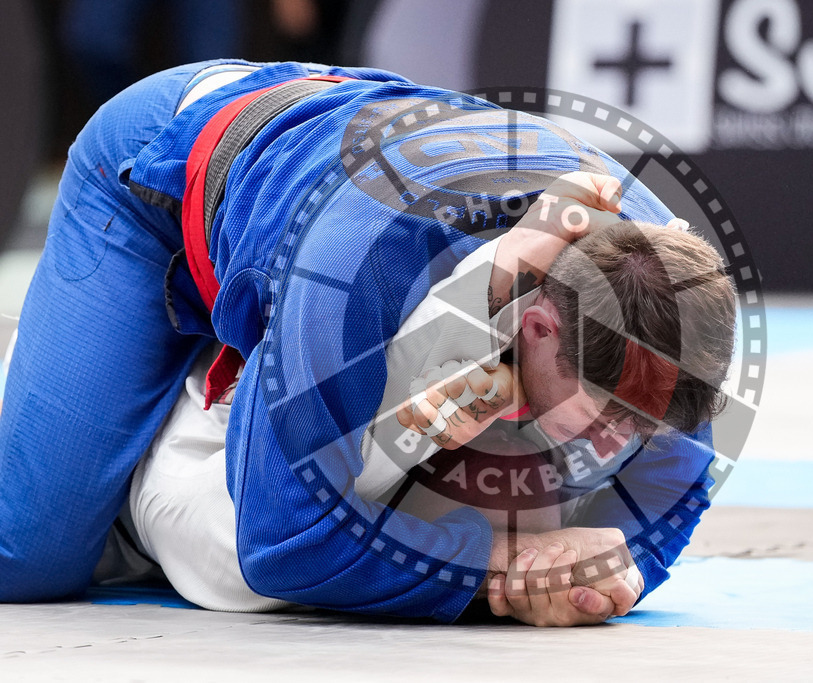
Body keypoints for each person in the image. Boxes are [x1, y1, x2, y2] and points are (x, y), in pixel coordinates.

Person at [0, 60, 735, 625]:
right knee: (32, 555)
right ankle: (84, 390)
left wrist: (623, 569)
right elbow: (283, 541)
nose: (626, 443)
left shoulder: (655, 279)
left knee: (483, 482)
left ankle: (221, 382)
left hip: (349, 135)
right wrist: (497, 573)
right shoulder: (354, 271)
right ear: (539, 328)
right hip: (158, 175)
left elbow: (674, 484)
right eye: (616, 422)